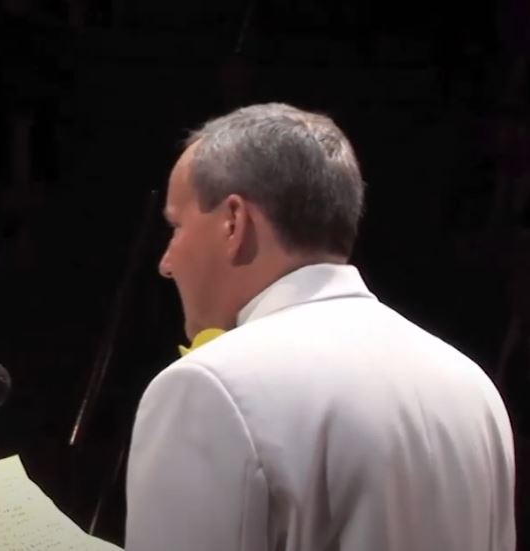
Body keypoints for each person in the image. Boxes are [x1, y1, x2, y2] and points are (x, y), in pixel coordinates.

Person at [125, 103, 515, 550]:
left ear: (234, 222)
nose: (167, 263)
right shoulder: (472, 385)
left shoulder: (209, 386)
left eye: (176, 225)